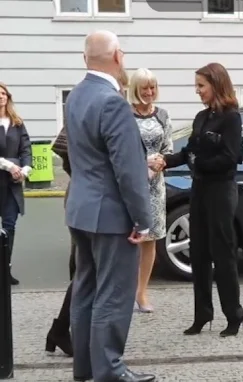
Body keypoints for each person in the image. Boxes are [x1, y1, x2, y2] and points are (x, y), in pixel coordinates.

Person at [65, 30, 156, 382]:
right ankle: (110, 370)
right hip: (111, 214)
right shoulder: (112, 101)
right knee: (114, 295)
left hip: (80, 209)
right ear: (118, 56)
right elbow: (129, 169)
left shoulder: (75, 96)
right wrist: (143, 220)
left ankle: (86, 368)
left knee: (85, 289)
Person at [45, 72, 130, 358]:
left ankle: (66, 335)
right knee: (87, 275)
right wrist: (86, 178)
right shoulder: (104, 104)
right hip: (93, 198)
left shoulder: (83, 99)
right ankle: (67, 335)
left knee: (85, 274)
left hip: (83, 196)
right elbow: (62, 148)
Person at [159, 63, 243, 337]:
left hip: (221, 192)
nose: (197, 91)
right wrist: (165, 161)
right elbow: (188, 152)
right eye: (196, 86)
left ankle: (234, 315)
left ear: (216, 85)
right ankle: (202, 314)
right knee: (199, 254)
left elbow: (230, 158)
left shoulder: (231, 118)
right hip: (200, 191)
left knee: (223, 255)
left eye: (201, 86)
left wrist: (200, 162)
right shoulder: (200, 117)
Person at [129, 68, 173, 313]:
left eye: (152, 87)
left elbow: (168, 145)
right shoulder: (125, 114)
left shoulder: (162, 115)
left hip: (156, 185)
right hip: (132, 183)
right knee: (131, 238)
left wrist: (161, 161)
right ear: (135, 88)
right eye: (144, 87)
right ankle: (125, 290)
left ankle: (142, 292)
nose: (148, 92)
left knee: (151, 239)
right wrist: (142, 163)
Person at [0, 82, 33, 286]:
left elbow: (26, 150)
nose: (1, 97)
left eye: (3, 93)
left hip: (12, 186)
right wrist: (9, 166)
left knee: (9, 226)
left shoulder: (17, 123)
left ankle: (6, 269)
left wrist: (24, 171)